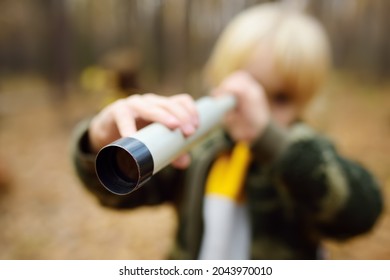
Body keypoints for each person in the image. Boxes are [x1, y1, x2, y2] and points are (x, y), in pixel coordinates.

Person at [72, 2, 383, 259]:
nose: (256, 108)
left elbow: (360, 212)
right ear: (218, 77)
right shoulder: (199, 148)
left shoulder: (305, 154)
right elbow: (121, 192)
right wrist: (101, 140)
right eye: (246, 90)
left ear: (307, 101)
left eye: (280, 98)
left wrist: (270, 140)